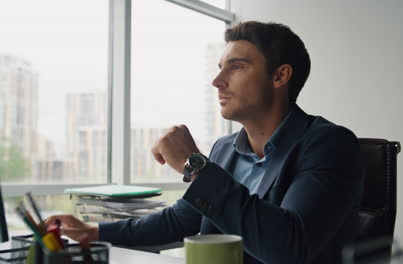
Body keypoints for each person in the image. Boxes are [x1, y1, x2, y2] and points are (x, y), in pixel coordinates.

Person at [46, 21, 363, 264]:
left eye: (236, 66)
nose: (217, 81)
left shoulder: (330, 144)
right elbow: (181, 220)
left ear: (280, 76)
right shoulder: (225, 149)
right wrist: (95, 232)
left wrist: (194, 164)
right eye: (220, 68)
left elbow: (289, 247)